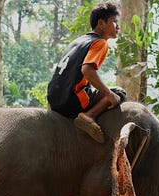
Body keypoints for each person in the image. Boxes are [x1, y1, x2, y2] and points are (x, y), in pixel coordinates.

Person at [47, 2, 126, 143]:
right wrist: (109, 94)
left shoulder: (77, 41)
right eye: (114, 22)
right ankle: (89, 116)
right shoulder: (100, 43)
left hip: (54, 98)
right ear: (101, 23)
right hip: (71, 101)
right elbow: (87, 70)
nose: (118, 26)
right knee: (119, 93)